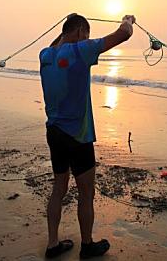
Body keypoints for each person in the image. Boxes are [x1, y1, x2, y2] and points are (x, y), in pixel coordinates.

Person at [39, 13, 135, 258]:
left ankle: (52, 244)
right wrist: (128, 20)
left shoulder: (45, 55)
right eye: (86, 34)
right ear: (81, 32)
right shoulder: (81, 50)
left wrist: (66, 28)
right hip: (78, 136)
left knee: (59, 187)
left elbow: (57, 43)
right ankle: (87, 245)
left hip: (54, 132)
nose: (87, 39)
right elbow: (123, 34)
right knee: (86, 192)